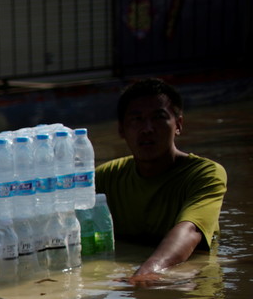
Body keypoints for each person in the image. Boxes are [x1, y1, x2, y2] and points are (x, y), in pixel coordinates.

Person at [95, 78, 227, 285]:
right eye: (137, 119)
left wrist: (147, 272)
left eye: (159, 118)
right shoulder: (107, 176)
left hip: (188, 275)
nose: (147, 128)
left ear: (178, 125)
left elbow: (190, 230)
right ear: (121, 130)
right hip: (131, 266)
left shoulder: (205, 173)